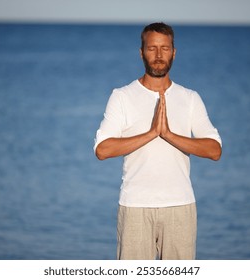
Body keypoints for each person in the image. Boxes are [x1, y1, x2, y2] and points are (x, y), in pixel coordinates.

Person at [93, 22, 222, 260]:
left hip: (180, 207)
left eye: (165, 48)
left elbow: (214, 150)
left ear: (174, 52)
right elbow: (103, 150)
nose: (159, 55)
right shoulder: (122, 97)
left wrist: (170, 135)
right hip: (135, 207)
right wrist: (151, 133)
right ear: (141, 52)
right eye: (152, 48)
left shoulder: (190, 98)